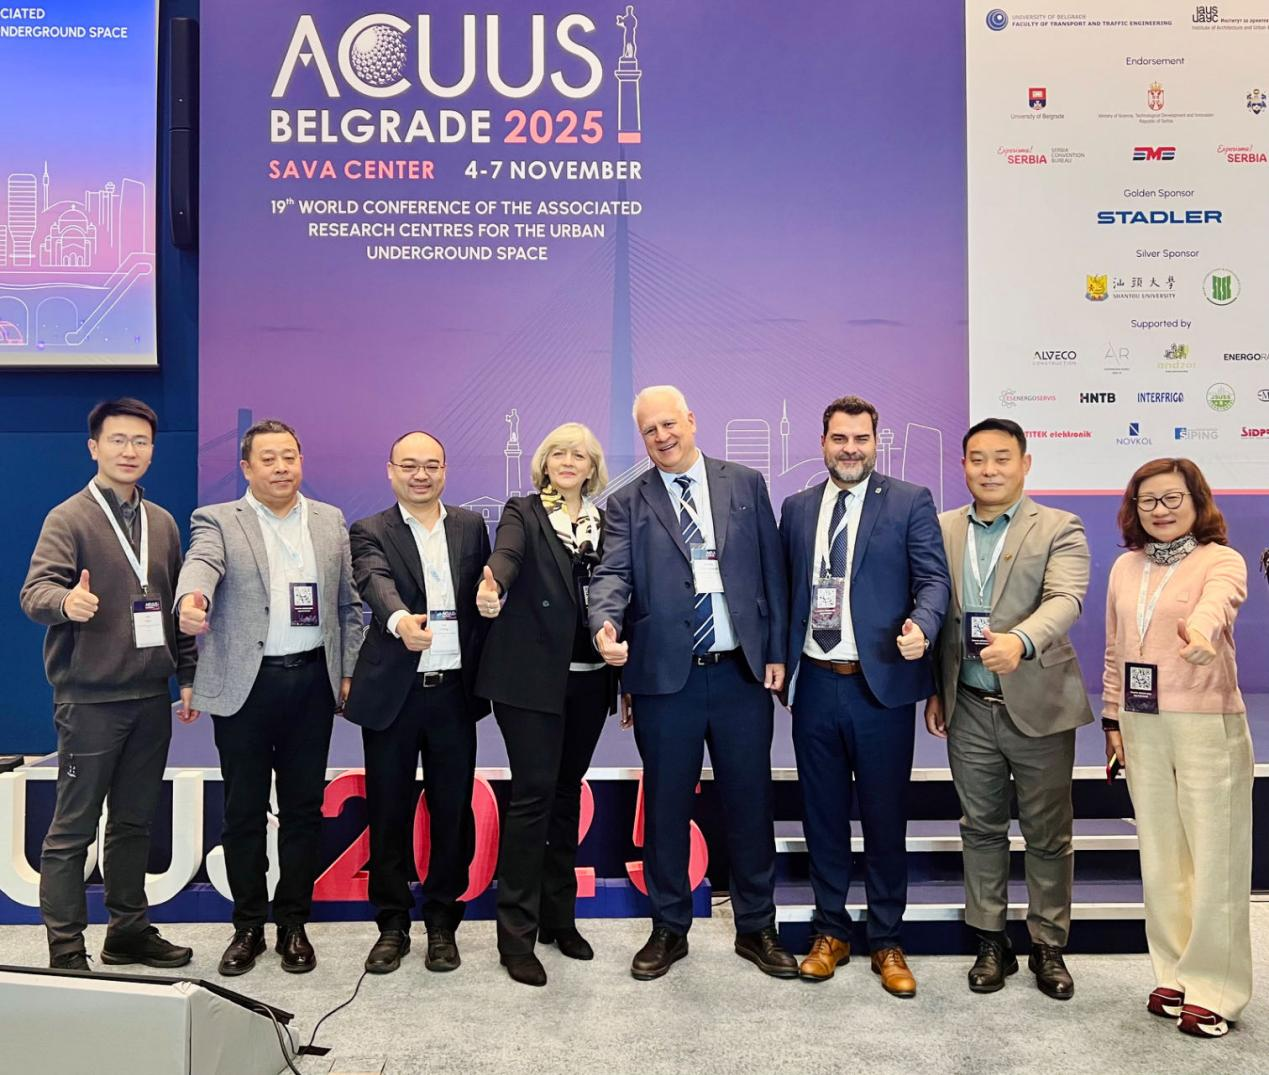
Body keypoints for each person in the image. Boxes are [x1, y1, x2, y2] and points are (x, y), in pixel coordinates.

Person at [589, 385, 795, 981]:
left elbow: (773, 571)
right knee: (666, 807)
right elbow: (612, 575)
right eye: (650, 430)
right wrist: (604, 625)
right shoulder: (627, 502)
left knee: (750, 803)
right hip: (664, 680)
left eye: (670, 424)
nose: (662, 437)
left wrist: (775, 651)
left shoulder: (745, 483)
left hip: (740, 674)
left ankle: (756, 927)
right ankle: (669, 927)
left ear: (692, 421)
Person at [175, 419, 363, 977]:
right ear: (246, 467)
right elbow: (201, 563)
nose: (282, 467)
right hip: (247, 687)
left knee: (303, 810)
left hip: (311, 681)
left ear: (301, 461)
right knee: (244, 811)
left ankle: (293, 924)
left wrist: (348, 670)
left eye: (290, 457)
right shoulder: (218, 519)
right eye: (269, 459)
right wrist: (192, 599)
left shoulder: (329, 520)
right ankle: (248, 926)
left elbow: (347, 603)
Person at [779, 396, 950, 996]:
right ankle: (830, 933)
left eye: (861, 439)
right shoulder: (797, 508)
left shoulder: (909, 501)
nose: (850, 449)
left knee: (884, 819)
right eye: (839, 438)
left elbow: (933, 580)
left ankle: (887, 940)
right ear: (822, 442)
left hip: (880, 687)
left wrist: (923, 626)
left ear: (876, 442)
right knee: (822, 817)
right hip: (815, 684)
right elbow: (784, 590)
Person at [20, 399, 196, 972]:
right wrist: (65, 602)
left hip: (150, 699)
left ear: (152, 450)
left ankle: (127, 931)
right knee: (72, 829)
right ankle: (66, 948)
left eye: (140, 441)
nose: (129, 451)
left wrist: (187, 675)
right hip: (90, 701)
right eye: (118, 440)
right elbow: (34, 592)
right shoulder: (68, 518)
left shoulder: (163, 523)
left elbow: (175, 608)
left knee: (134, 822)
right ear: (94, 447)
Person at [924, 418, 1092, 1000]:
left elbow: (1066, 599)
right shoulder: (943, 527)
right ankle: (990, 941)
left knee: (1048, 833)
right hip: (969, 705)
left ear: (1025, 463)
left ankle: (1048, 943)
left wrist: (1020, 641)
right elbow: (936, 610)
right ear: (963, 466)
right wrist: (937, 688)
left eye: (1001, 458)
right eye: (977, 459)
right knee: (980, 828)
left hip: (1038, 703)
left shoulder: (1060, 527)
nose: (989, 470)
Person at [1102, 458, 1251, 1039]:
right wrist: (1112, 718)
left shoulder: (1221, 560)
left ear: (1196, 501)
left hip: (1205, 721)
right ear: (1134, 509)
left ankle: (1217, 988)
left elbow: (1218, 604)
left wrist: (1203, 635)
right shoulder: (1125, 566)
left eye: (1172, 499)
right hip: (1140, 723)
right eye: (1148, 501)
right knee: (1161, 856)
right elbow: (1115, 647)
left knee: (1215, 857)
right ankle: (1175, 973)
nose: (1160, 511)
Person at [475, 423, 617, 987]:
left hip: (590, 680)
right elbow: (506, 555)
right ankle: (516, 937)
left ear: (592, 467)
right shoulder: (525, 511)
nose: (568, 460)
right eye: (558, 452)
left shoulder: (607, 521)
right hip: (530, 682)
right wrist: (493, 584)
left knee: (565, 796)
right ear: (544, 462)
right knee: (533, 798)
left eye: (579, 454)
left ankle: (560, 919)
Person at [343, 432, 490, 976]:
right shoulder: (370, 529)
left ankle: (443, 922)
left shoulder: (470, 526)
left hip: (453, 692)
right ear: (390, 471)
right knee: (388, 810)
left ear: (445, 471)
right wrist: (401, 620)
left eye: (431, 465)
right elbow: (373, 580)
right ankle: (391, 924)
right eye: (409, 465)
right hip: (394, 694)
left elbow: (484, 590)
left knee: (452, 811)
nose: (420, 475)